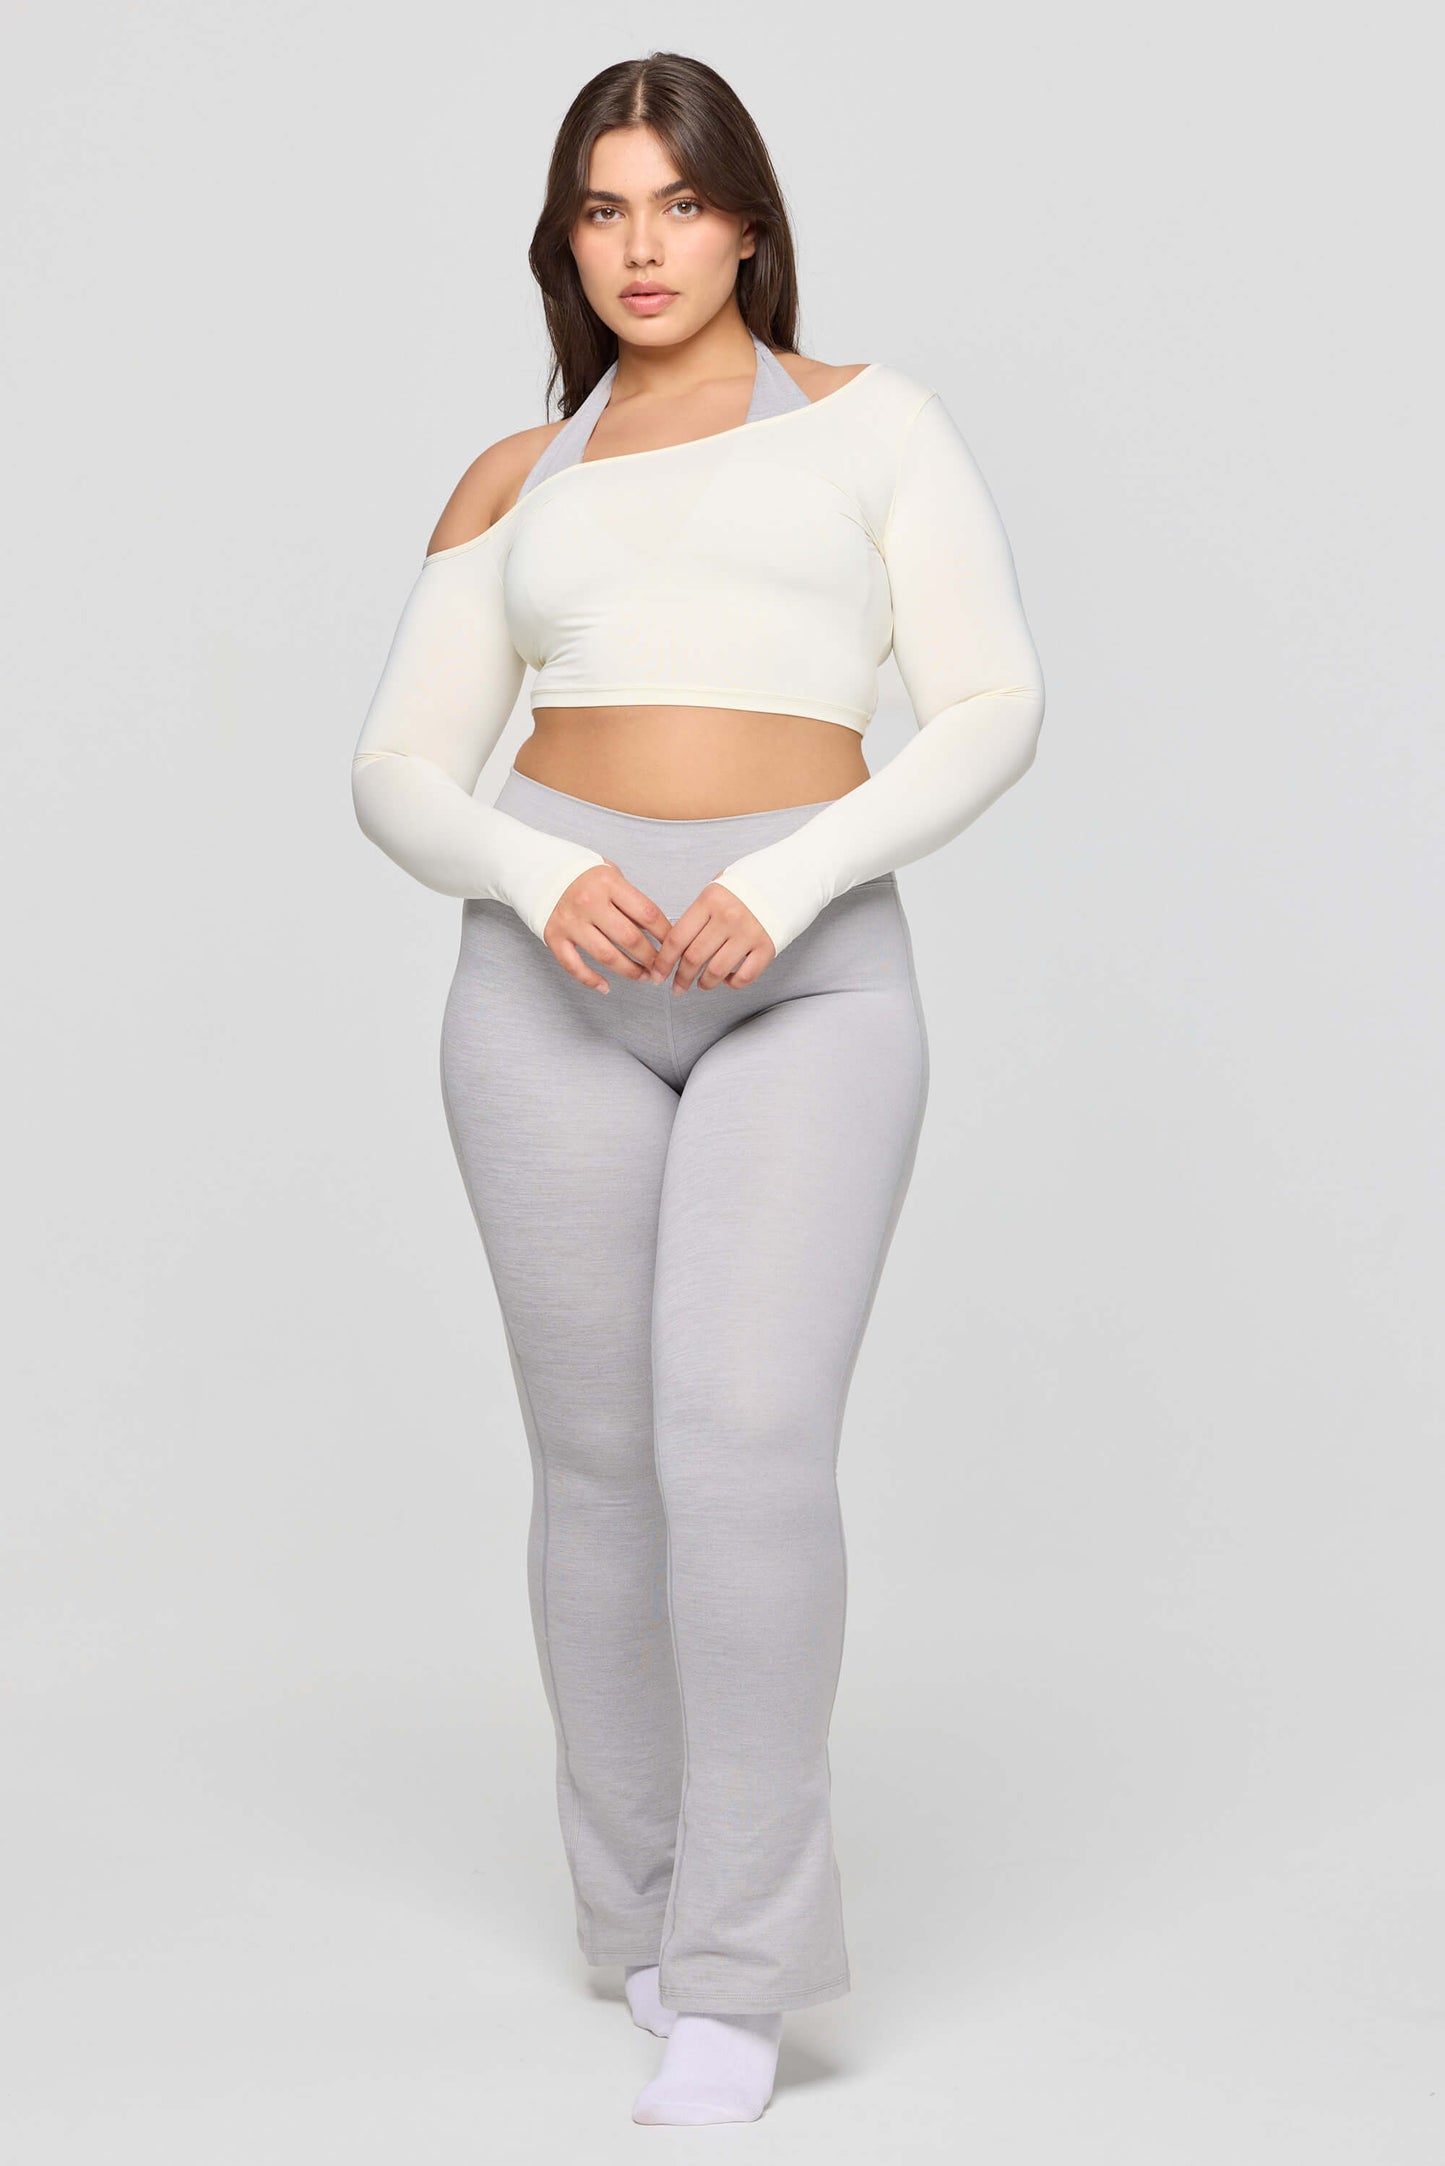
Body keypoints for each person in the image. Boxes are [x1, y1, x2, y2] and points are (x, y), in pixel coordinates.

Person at [351, 50, 1045, 2129]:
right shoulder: (519, 473)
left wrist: (793, 875)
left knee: (740, 1449)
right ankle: (636, 1913)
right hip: (548, 983)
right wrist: (530, 870)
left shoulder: (873, 424)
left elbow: (991, 703)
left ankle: (741, 1969)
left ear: (747, 221)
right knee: (594, 1470)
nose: (641, 246)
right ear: (565, 241)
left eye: (677, 202)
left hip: (798, 973)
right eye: (602, 208)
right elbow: (397, 767)